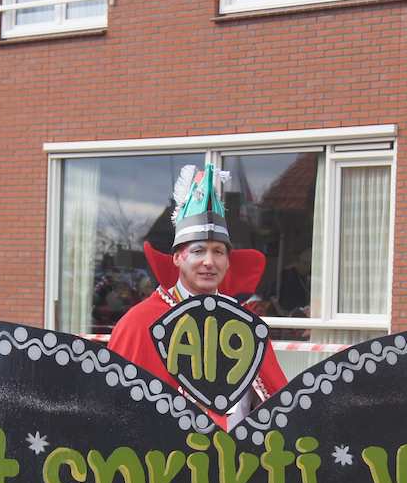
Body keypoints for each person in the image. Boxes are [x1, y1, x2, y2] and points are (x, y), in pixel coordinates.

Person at [110, 164, 287, 429]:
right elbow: (118, 412)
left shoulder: (245, 323)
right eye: (198, 251)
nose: (209, 262)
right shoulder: (139, 324)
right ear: (177, 258)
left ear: (228, 261)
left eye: (218, 252)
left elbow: (275, 406)